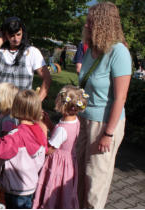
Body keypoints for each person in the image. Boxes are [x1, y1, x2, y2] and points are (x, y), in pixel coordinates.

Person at [77, 2, 132, 208]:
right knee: (79, 175)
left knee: (95, 181)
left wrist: (108, 133)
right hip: (83, 120)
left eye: (91, 21)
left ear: (103, 23)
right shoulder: (91, 49)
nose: (87, 24)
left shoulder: (119, 52)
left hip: (104, 124)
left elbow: (121, 98)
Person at [0, 89, 47, 209]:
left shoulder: (16, 135)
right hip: (30, 185)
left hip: (15, 188)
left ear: (16, 107)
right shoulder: (39, 131)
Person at [33, 85, 88, 209]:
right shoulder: (75, 121)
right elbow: (62, 139)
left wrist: (38, 140)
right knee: (63, 193)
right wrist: (49, 124)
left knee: (52, 188)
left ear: (62, 105)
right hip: (68, 164)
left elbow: (50, 149)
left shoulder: (62, 129)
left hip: (57, 166)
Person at [0, 16, 51, 103]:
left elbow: (47, 78)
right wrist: (1, 39)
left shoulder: (32, 52)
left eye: (18, 34)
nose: (16, 39)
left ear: (23, 32)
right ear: (5, 34)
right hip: (0, 108)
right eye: (11, 36)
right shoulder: (1, 51)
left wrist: (37, 103)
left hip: (20, 108)